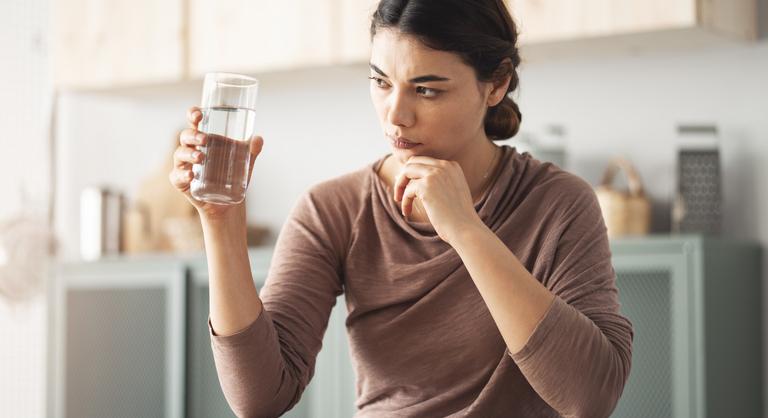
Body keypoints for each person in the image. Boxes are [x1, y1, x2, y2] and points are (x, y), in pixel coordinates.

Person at [169, 0, 633, 416]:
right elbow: (260, 397)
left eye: (426, 90)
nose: (395, 114)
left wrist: (467, 231)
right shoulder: (334, 209)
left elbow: (589, 397)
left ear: (496, 84)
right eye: (380, 82)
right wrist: (221, 218)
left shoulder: (558, 202)